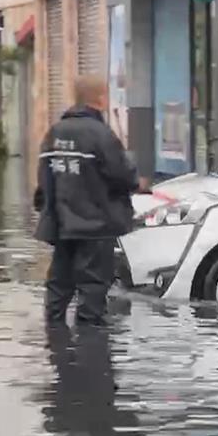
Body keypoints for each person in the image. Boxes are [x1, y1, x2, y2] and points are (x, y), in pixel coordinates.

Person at [34, 75, 141, 325]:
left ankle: (56, 343)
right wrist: (136, 184)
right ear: (102, 99)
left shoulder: (54, 132)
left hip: (62, 225)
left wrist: (47, 210)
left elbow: (44, 178)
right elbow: (122, 175)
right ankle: (89, 351)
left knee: (59, 285)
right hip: (95, 226)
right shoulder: (101, 134)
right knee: (93, 287)